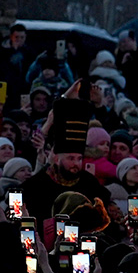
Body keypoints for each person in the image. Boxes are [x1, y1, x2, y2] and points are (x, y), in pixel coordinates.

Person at [22, 94, 112, 224]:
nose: (76, 164)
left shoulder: (90, 183)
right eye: (71, 158)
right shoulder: (35, 185)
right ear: (57, 158)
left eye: (79, 158)